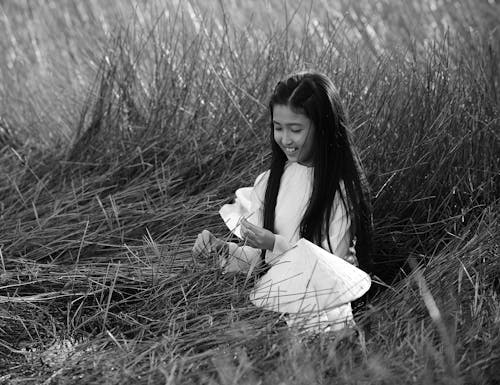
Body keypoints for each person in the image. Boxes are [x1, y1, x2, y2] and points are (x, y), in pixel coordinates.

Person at [193, 71, 373, 332]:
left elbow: (334, 271)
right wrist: (222, 250)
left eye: (296, 129)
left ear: (323, 128)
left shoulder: (339, 191)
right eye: (278, 128)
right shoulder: (271, 181)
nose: (285, 139)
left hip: (324, 320)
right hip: (277, 309)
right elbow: (263, 262)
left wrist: (274, 242)